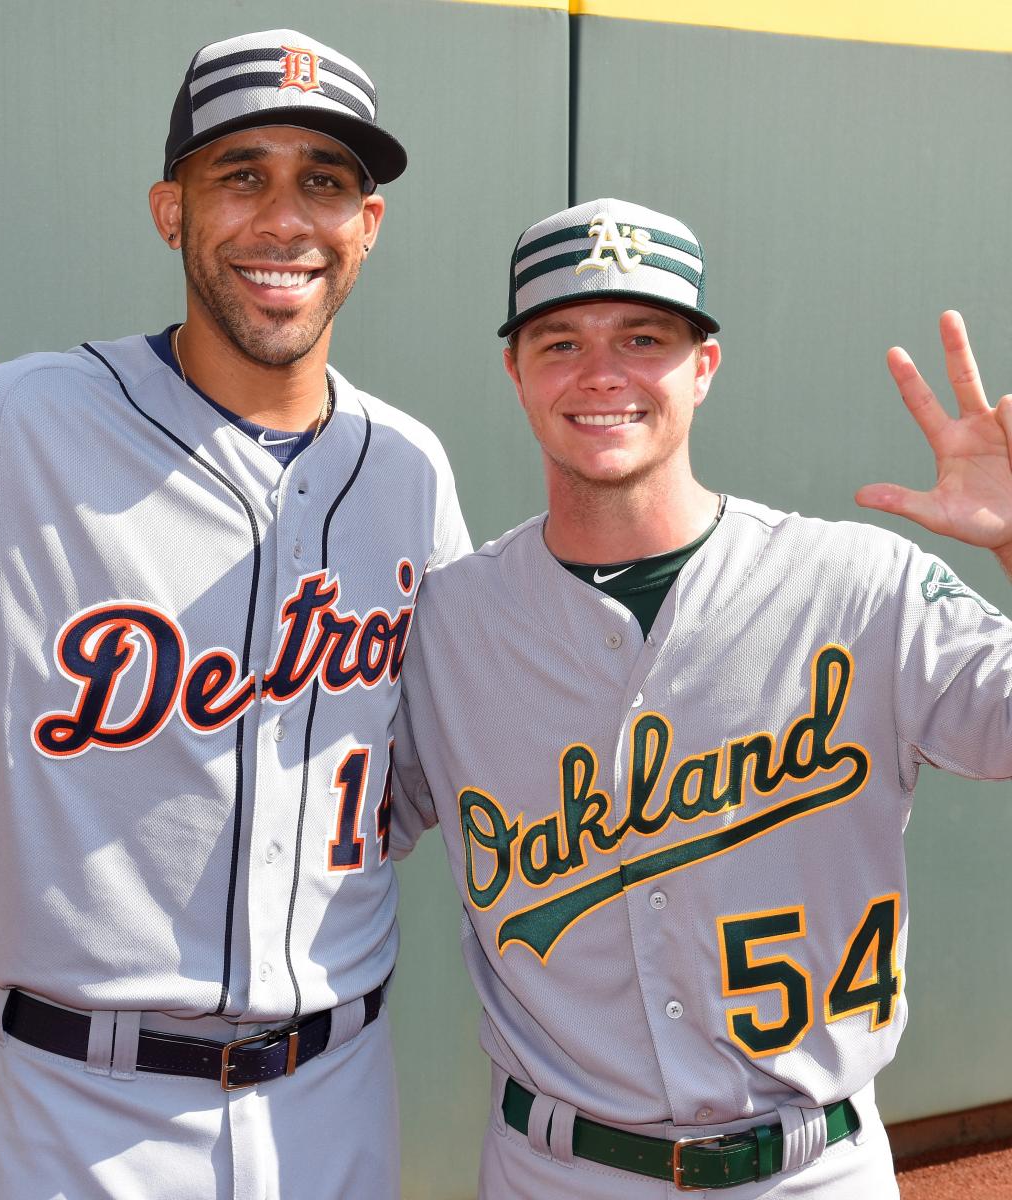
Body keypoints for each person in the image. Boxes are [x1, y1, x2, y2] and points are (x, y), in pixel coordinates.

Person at [0, 29, 468, 1200]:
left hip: (341, 1100)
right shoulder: (6, 433)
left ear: (368, 226)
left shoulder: (411, 470)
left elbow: (423, 767)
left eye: (325, 180)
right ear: (171, 210)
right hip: (77, 1119)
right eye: (240, 174)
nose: (283, 217)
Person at [393, 195, 1012, 1197]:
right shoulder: (448, 625)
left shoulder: (860, 587)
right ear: (515, 371)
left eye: (645, 338)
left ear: (704, 367)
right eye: (561, 342)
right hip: (558, 1172)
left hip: (816, 1170)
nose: (603, 375)